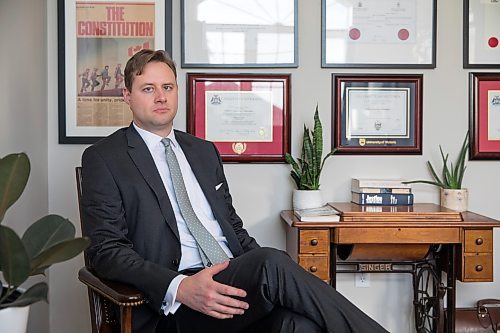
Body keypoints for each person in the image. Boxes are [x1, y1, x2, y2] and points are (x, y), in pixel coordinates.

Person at [81, 49, 389, 333]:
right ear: (127, 96)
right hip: (173, 306)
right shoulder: (105, 158)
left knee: (298, 324)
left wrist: (274, 279)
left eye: (168, 87)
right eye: (148, 89)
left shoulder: (202, 151)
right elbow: (106, 251)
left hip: (228, 278)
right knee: (272, 263)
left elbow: (232, 229)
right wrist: (179, 287)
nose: (160, 97)